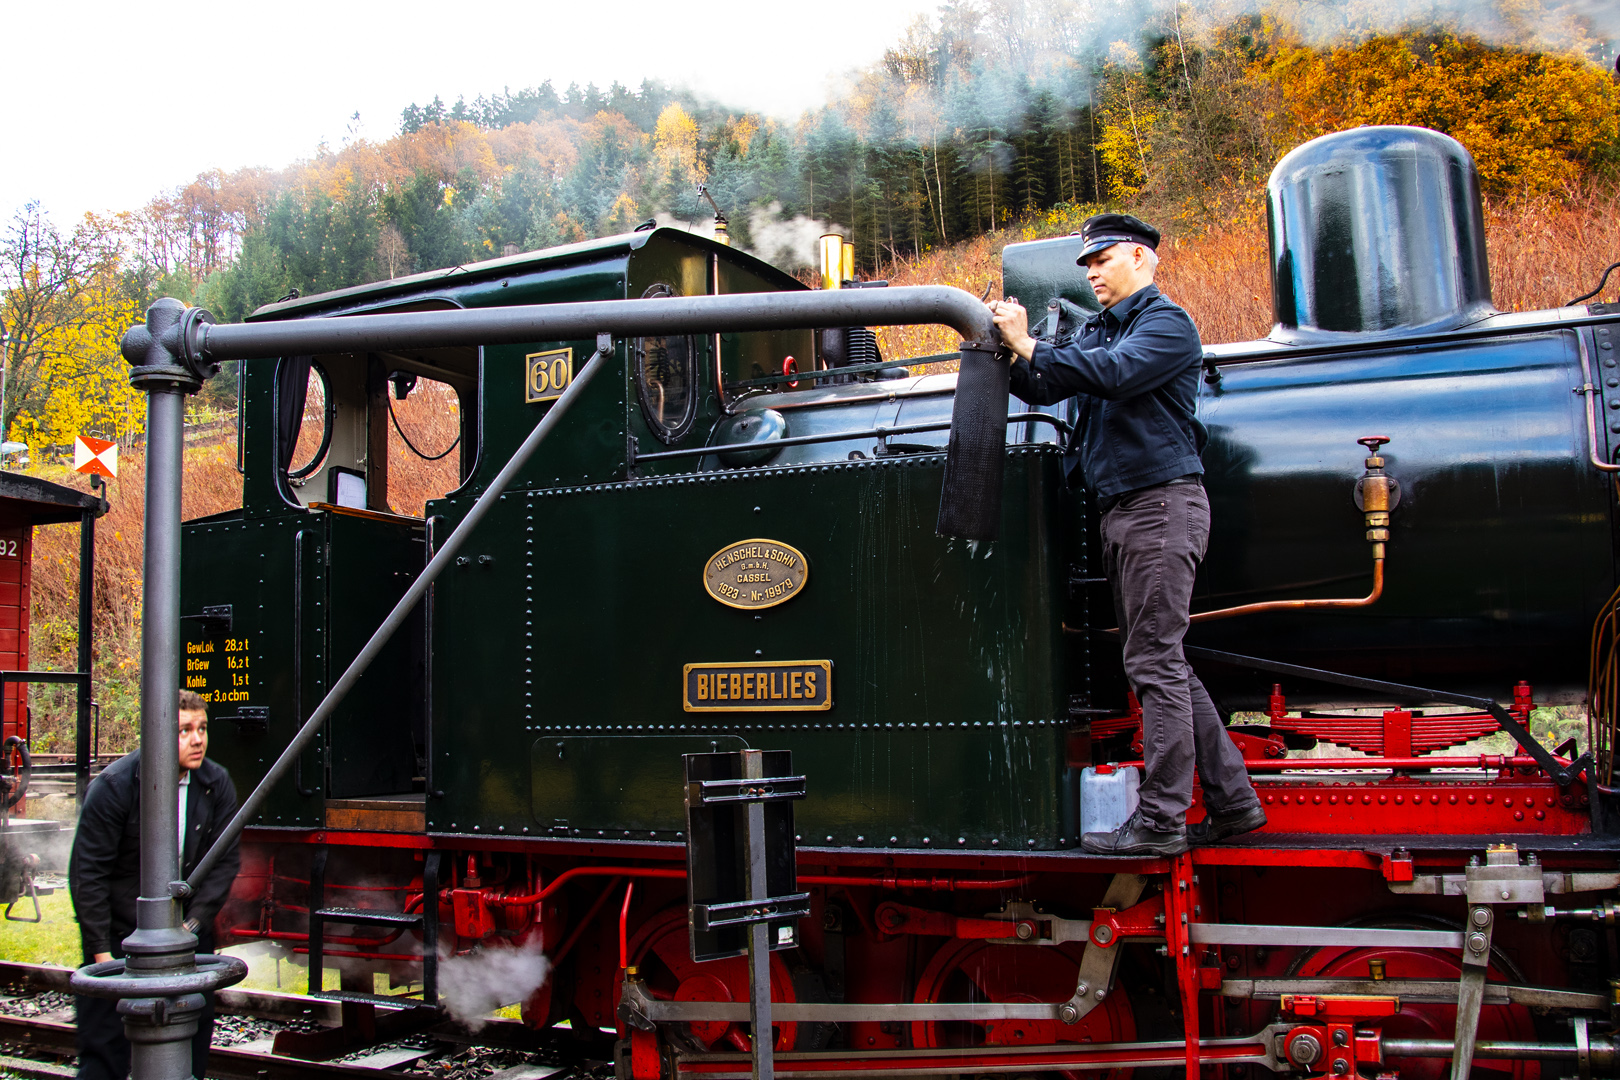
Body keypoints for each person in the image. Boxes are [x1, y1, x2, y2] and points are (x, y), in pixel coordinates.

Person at [989, 213, 1265, 857]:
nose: (1090, 272)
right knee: (1165, 658)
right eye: (1085, 264)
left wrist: (1032, 344)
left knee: (1152, 661)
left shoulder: (1166, 325)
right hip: (1127, 509)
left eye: (1102, 260)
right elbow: (1048, 381)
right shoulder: (1103, 331)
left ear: (1141, 258)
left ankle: (1162, 821)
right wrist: (1005, 344)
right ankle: (1235, 804)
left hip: (1159, 505)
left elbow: (1111, 376)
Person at [70, 690, 240, 1079]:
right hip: (120, 938)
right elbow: (88, 873)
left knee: (191, 1047)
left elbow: (223, 863)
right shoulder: (114, 786)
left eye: (202, 728)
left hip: (185, 938)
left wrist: (191, 927)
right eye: (184, 730)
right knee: (105, 1053)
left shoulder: (215, 784)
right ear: (155, 735)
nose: (197, 740)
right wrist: (101, 954)